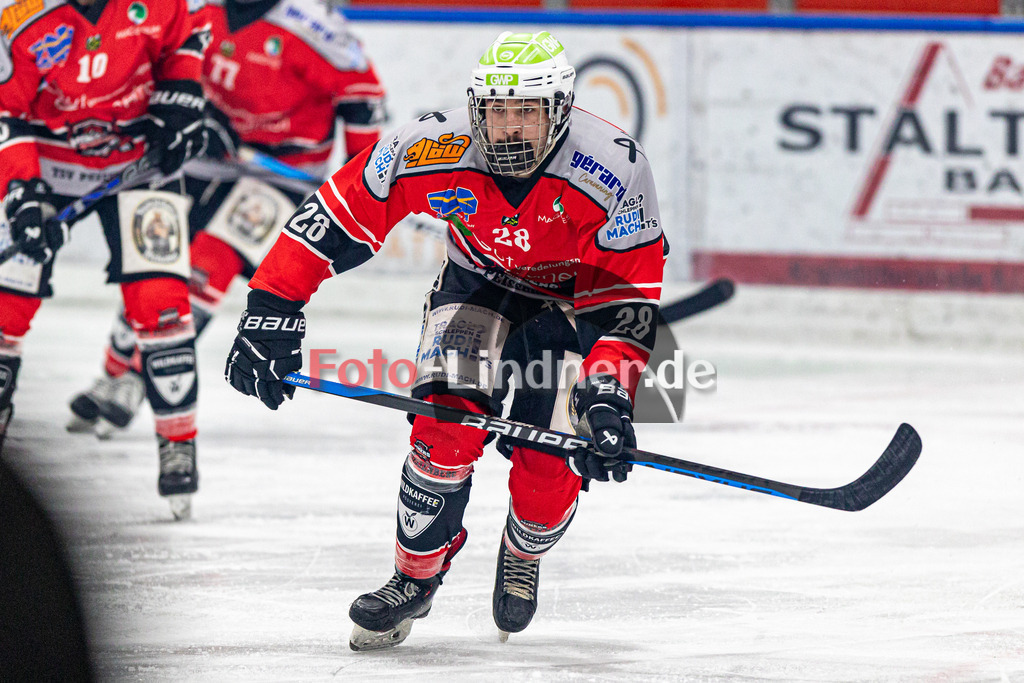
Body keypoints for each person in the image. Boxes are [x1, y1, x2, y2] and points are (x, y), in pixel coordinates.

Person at [225, 30, 666, 647]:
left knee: (551, 462)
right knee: (443, 429)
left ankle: (524, 544)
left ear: (561, 112)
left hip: (575, 305)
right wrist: (271, 307)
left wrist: (608, 397)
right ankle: (413, 577)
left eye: (527, 113)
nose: (509, 129)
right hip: (477, 284)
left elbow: (625, 304)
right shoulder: (432, 143)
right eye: (497, 111)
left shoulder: (614, 168)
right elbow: (337, 212)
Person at [64, 0, 385, 439]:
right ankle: (110, 372)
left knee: (208, 264)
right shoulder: (196, 9)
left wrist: (361, 180)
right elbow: (154, 70)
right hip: (205, 156)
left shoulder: (312, 25)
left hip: (277, 174)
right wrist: (189, 118)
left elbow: (364, 99)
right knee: (156, 260)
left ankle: (141, 377)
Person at [0, 0, 210, 516]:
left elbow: (186, 42)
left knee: (161, 302)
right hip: (47, 167)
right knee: (9, 297)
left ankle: (178, 445)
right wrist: (22, 195)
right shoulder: (17, 15)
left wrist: (181, 103)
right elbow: (8, 114)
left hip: (140, 165)